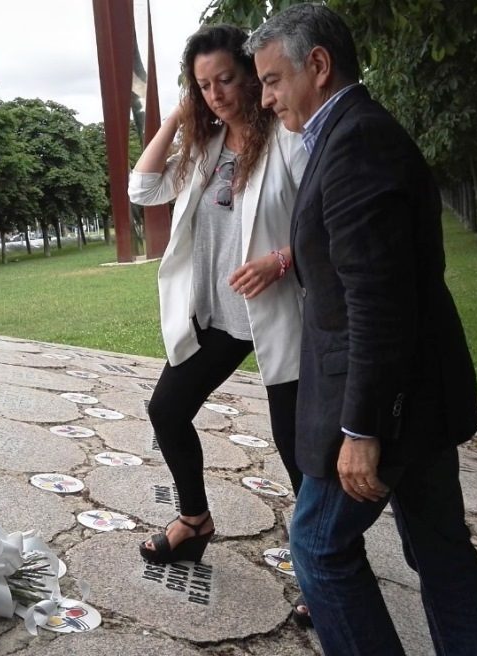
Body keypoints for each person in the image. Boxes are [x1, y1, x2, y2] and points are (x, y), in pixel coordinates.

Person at [245, 5, 477, 655]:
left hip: (384, 406)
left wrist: (362, 429)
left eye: (274, 80)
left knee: (317, 549)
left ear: (319, 66)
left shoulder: (357, 140)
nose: (267, 97)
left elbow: (377, 300)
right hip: (419, 396)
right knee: (443, 557)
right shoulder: (350, 134)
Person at [128, 24, 307, 574]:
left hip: (284, 315)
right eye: (203, 86)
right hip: (219, 316)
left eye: (226, 79)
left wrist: (282, 260)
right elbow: (143, 190)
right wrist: (177, 117)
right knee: (168, 410)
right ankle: (195, 521)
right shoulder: (203, 148)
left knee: (297, 450)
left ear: (251, 76)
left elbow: (331, 219)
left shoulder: (289, 137)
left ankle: (328, 565)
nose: (216, 95)